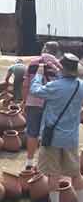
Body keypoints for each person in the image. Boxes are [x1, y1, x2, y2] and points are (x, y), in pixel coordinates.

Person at [30, 53, 83, 202]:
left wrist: (39, 75)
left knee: (53, 174)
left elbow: (34, 90)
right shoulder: (80, 85)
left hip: (52, 138)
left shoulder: (55, 86)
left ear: (63, 69)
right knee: (75, 174)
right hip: (71, 138)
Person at [22, 41, 62, 170]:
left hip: (33, 102)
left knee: (32, 132)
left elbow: (26, 84)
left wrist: (24, 101)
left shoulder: (33, 63)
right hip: (52, 104)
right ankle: (46, 163)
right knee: (50, 133)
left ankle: (29, 162)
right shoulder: (60, 66)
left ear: (44, 48)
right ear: (57, 52)